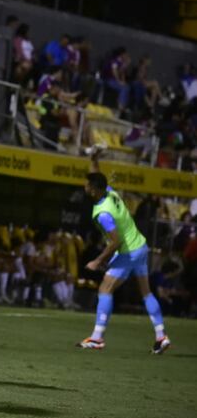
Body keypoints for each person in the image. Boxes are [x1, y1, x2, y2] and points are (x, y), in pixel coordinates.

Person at [77, 146, 171, 354]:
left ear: (93, 189)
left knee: (105, 288)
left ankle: (97, 338)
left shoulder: (103, 213)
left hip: (127, 251)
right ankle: (161, 336)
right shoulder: (110, 193)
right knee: (146, 293)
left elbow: (115, 242)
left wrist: (98, 261)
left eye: (86, 186)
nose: (85, 187)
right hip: (141, 247)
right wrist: (93, 158)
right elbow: (98, 177)